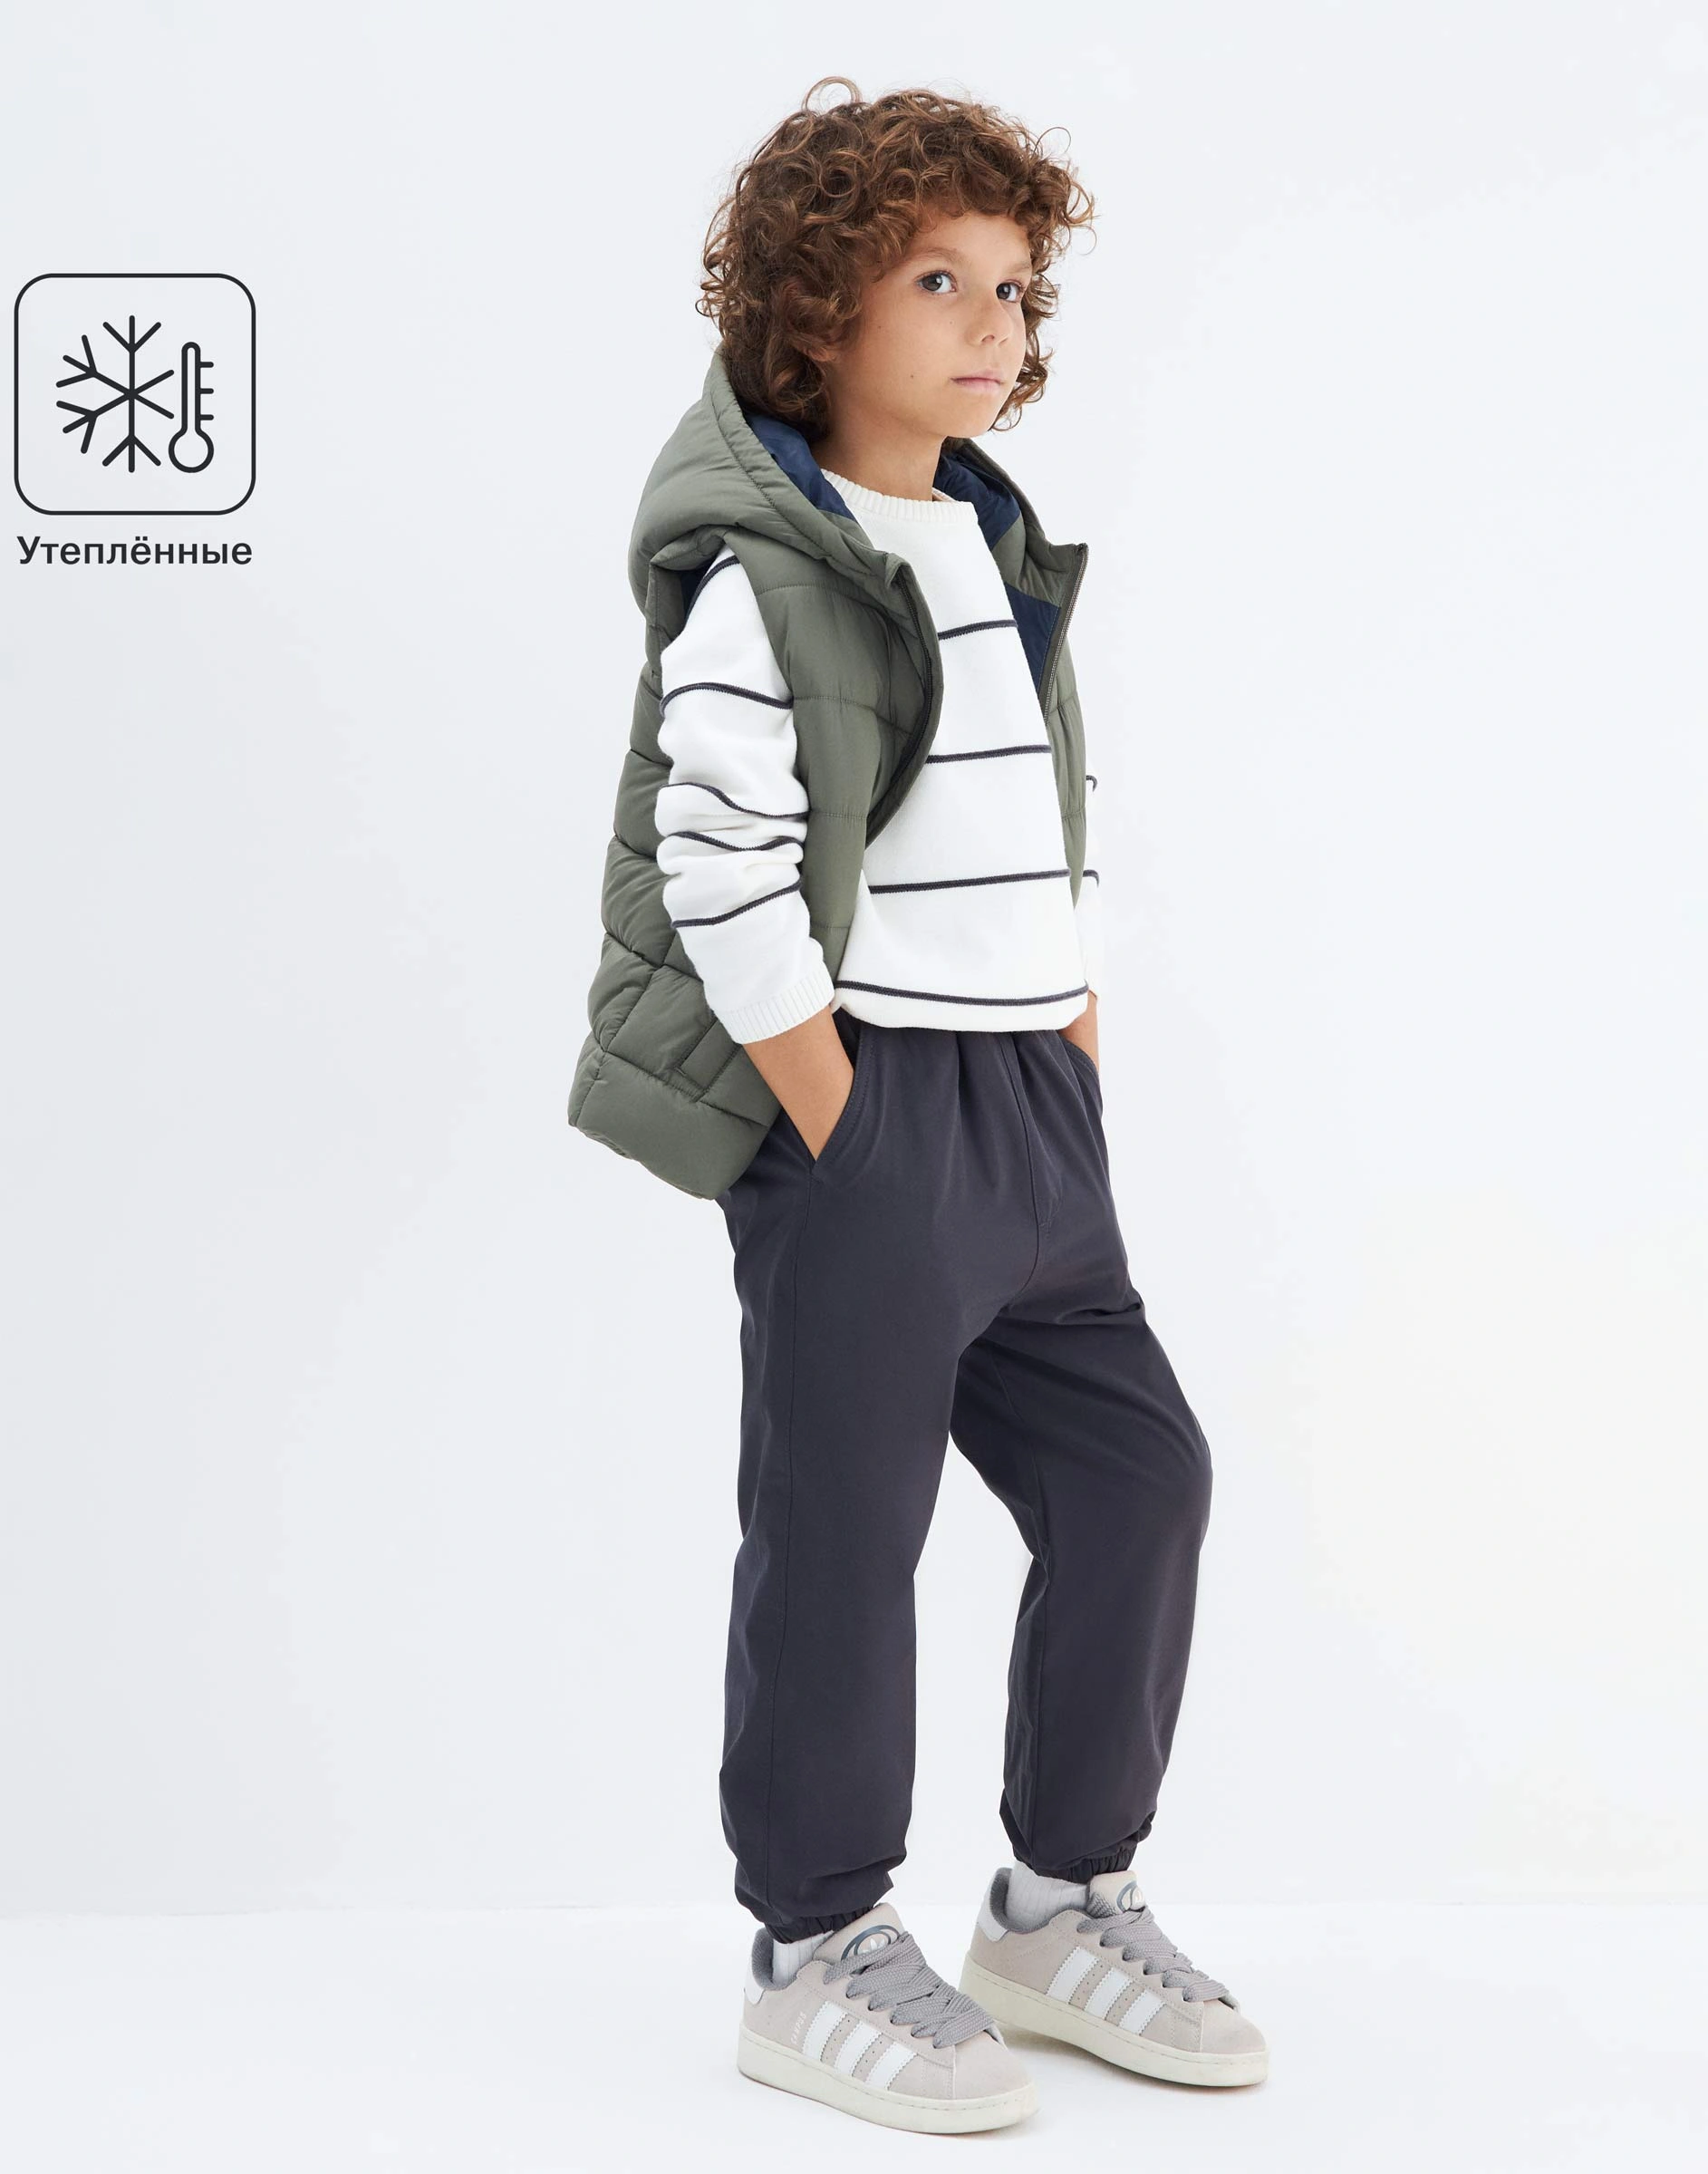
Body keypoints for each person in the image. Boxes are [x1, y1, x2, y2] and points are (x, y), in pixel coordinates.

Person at [568, 77, 1268, 2133]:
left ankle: (1054, 1906)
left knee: (1139, 1478)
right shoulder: (761, 573)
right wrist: (841, 1114)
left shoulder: (990, 537)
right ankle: (811, 1947)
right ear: (819, 307)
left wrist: (1077, 1027)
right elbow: (715, 861)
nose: (994, 325)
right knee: (841, 1536)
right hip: (872, 1109)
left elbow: (1033, 810)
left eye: (1017, 290)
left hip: (1034, 1109)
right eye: (940, 281)